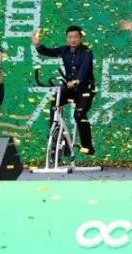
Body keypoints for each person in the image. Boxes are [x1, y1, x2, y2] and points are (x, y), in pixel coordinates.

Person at [32, 25, 96, 156]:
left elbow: (84, 69)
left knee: (79, 115)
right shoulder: (64, 50)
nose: (73, 40)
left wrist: (77, 80)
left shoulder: (87, 52)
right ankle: (61, 141)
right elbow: (47, 51)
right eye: (70, 37)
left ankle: (87, 146)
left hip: (85, 89)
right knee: (55, 104)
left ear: (81, 38)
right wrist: (37, 45)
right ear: (67, 38)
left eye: (76, 37)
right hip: (69, 88)